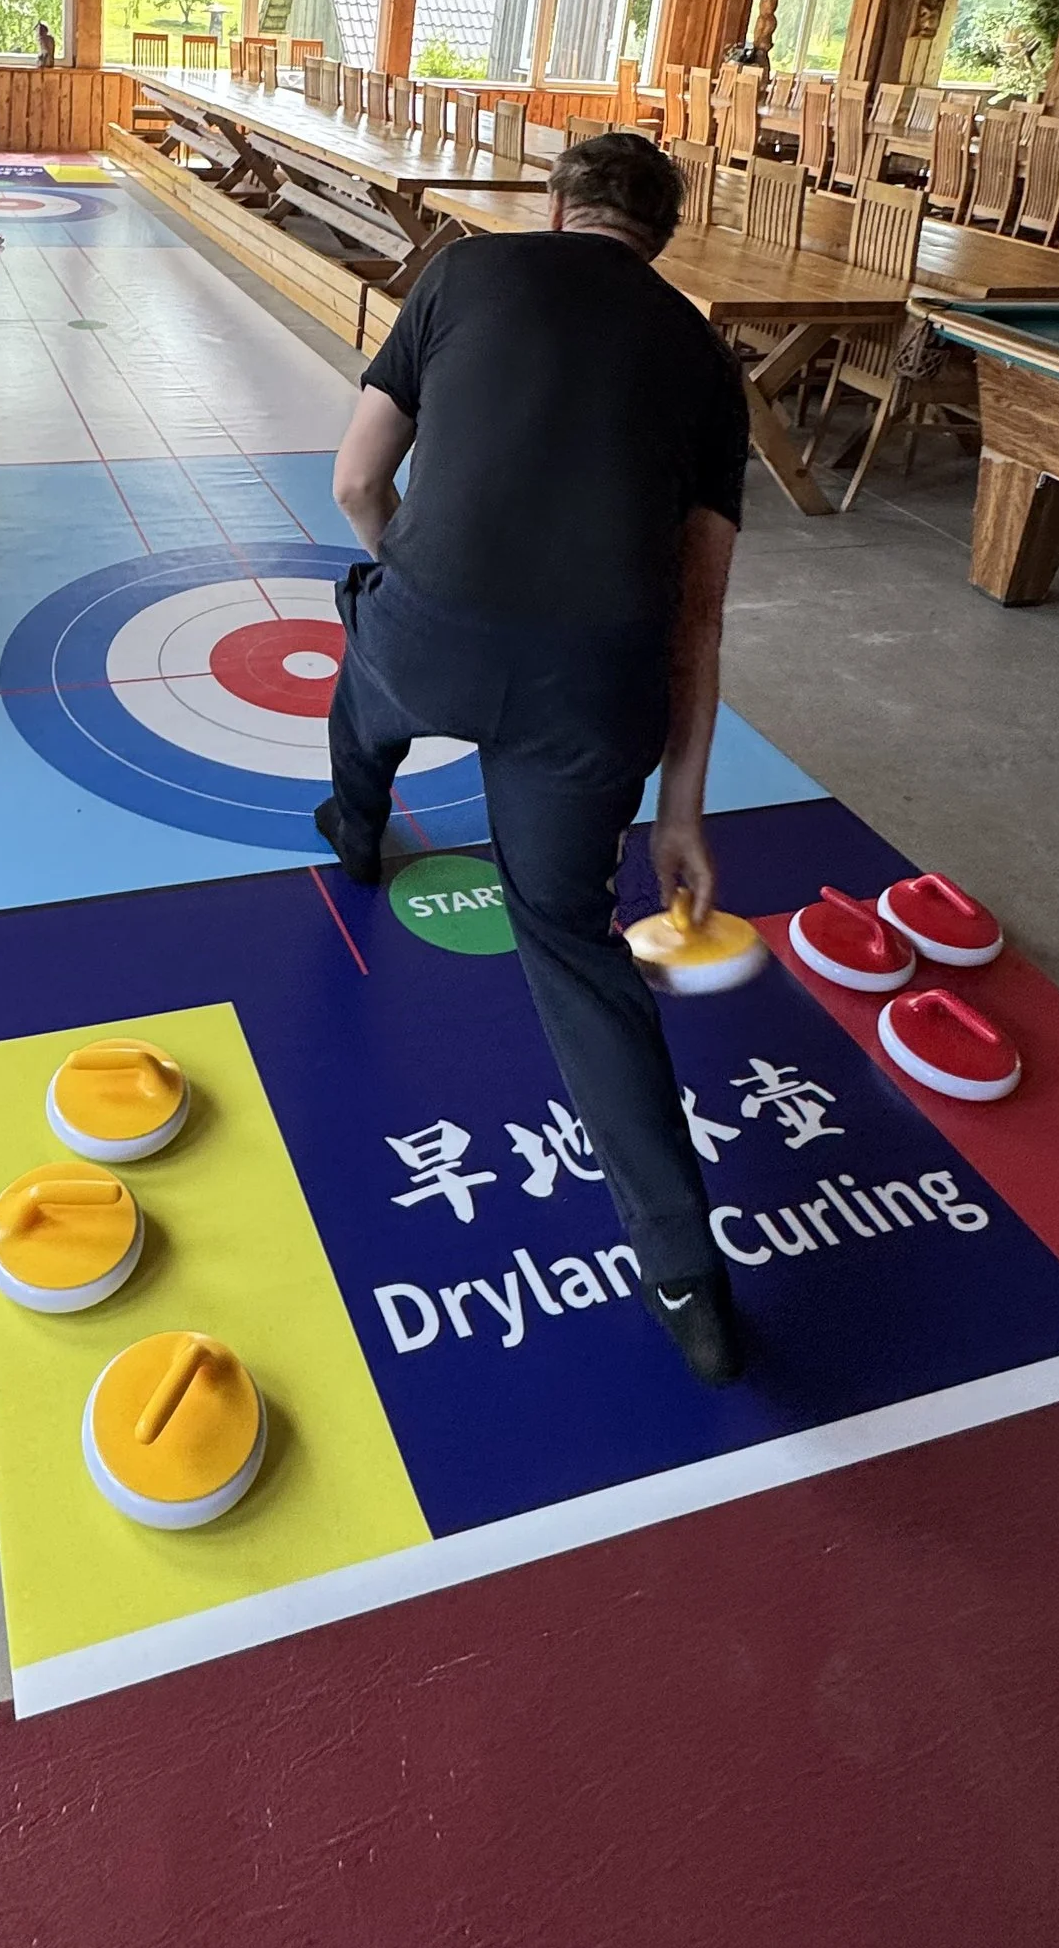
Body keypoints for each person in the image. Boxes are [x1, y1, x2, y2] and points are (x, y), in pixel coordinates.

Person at [318, 132, 753, 1386]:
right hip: (594, 690)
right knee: (569, 947)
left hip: (430, 634)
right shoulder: (706, 362)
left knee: (370, 662)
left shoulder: (464, 272)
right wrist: (680, 811)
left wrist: (415, 586)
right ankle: (686, 1278)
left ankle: (355, 824)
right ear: (658, 239)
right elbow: (699, 617)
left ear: (558, 207)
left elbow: (355, 481)